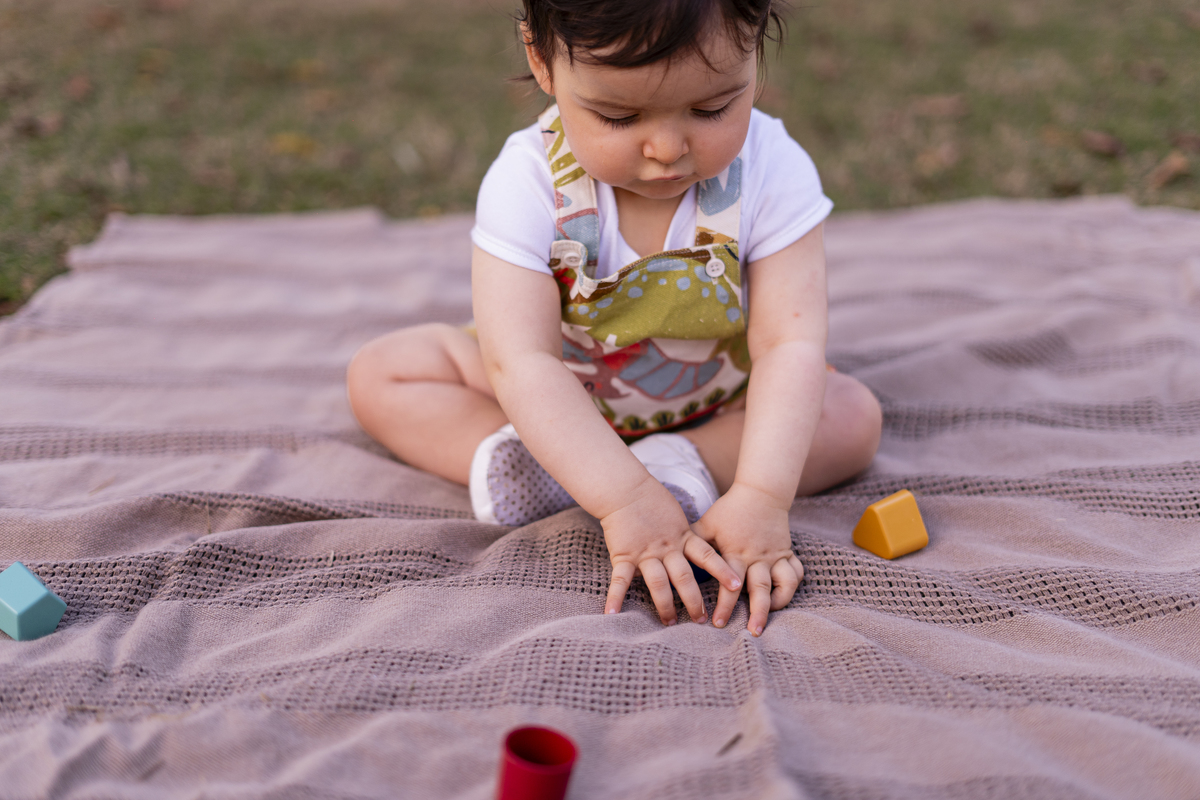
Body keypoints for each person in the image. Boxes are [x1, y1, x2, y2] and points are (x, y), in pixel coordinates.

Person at [347, 0, 882, 636]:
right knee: (384, 374)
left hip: (717, 401)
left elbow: (788, 344)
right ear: (542, 61)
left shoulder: (771, 167)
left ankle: (678, 463)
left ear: (756, 50)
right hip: (558, 394)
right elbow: (521, 361)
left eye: (712, 108)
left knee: (852, 417)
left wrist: (763, 497)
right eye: (619, 116)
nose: (667, 148)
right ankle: (560, 468)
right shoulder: (529, 180)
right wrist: (624, 501)